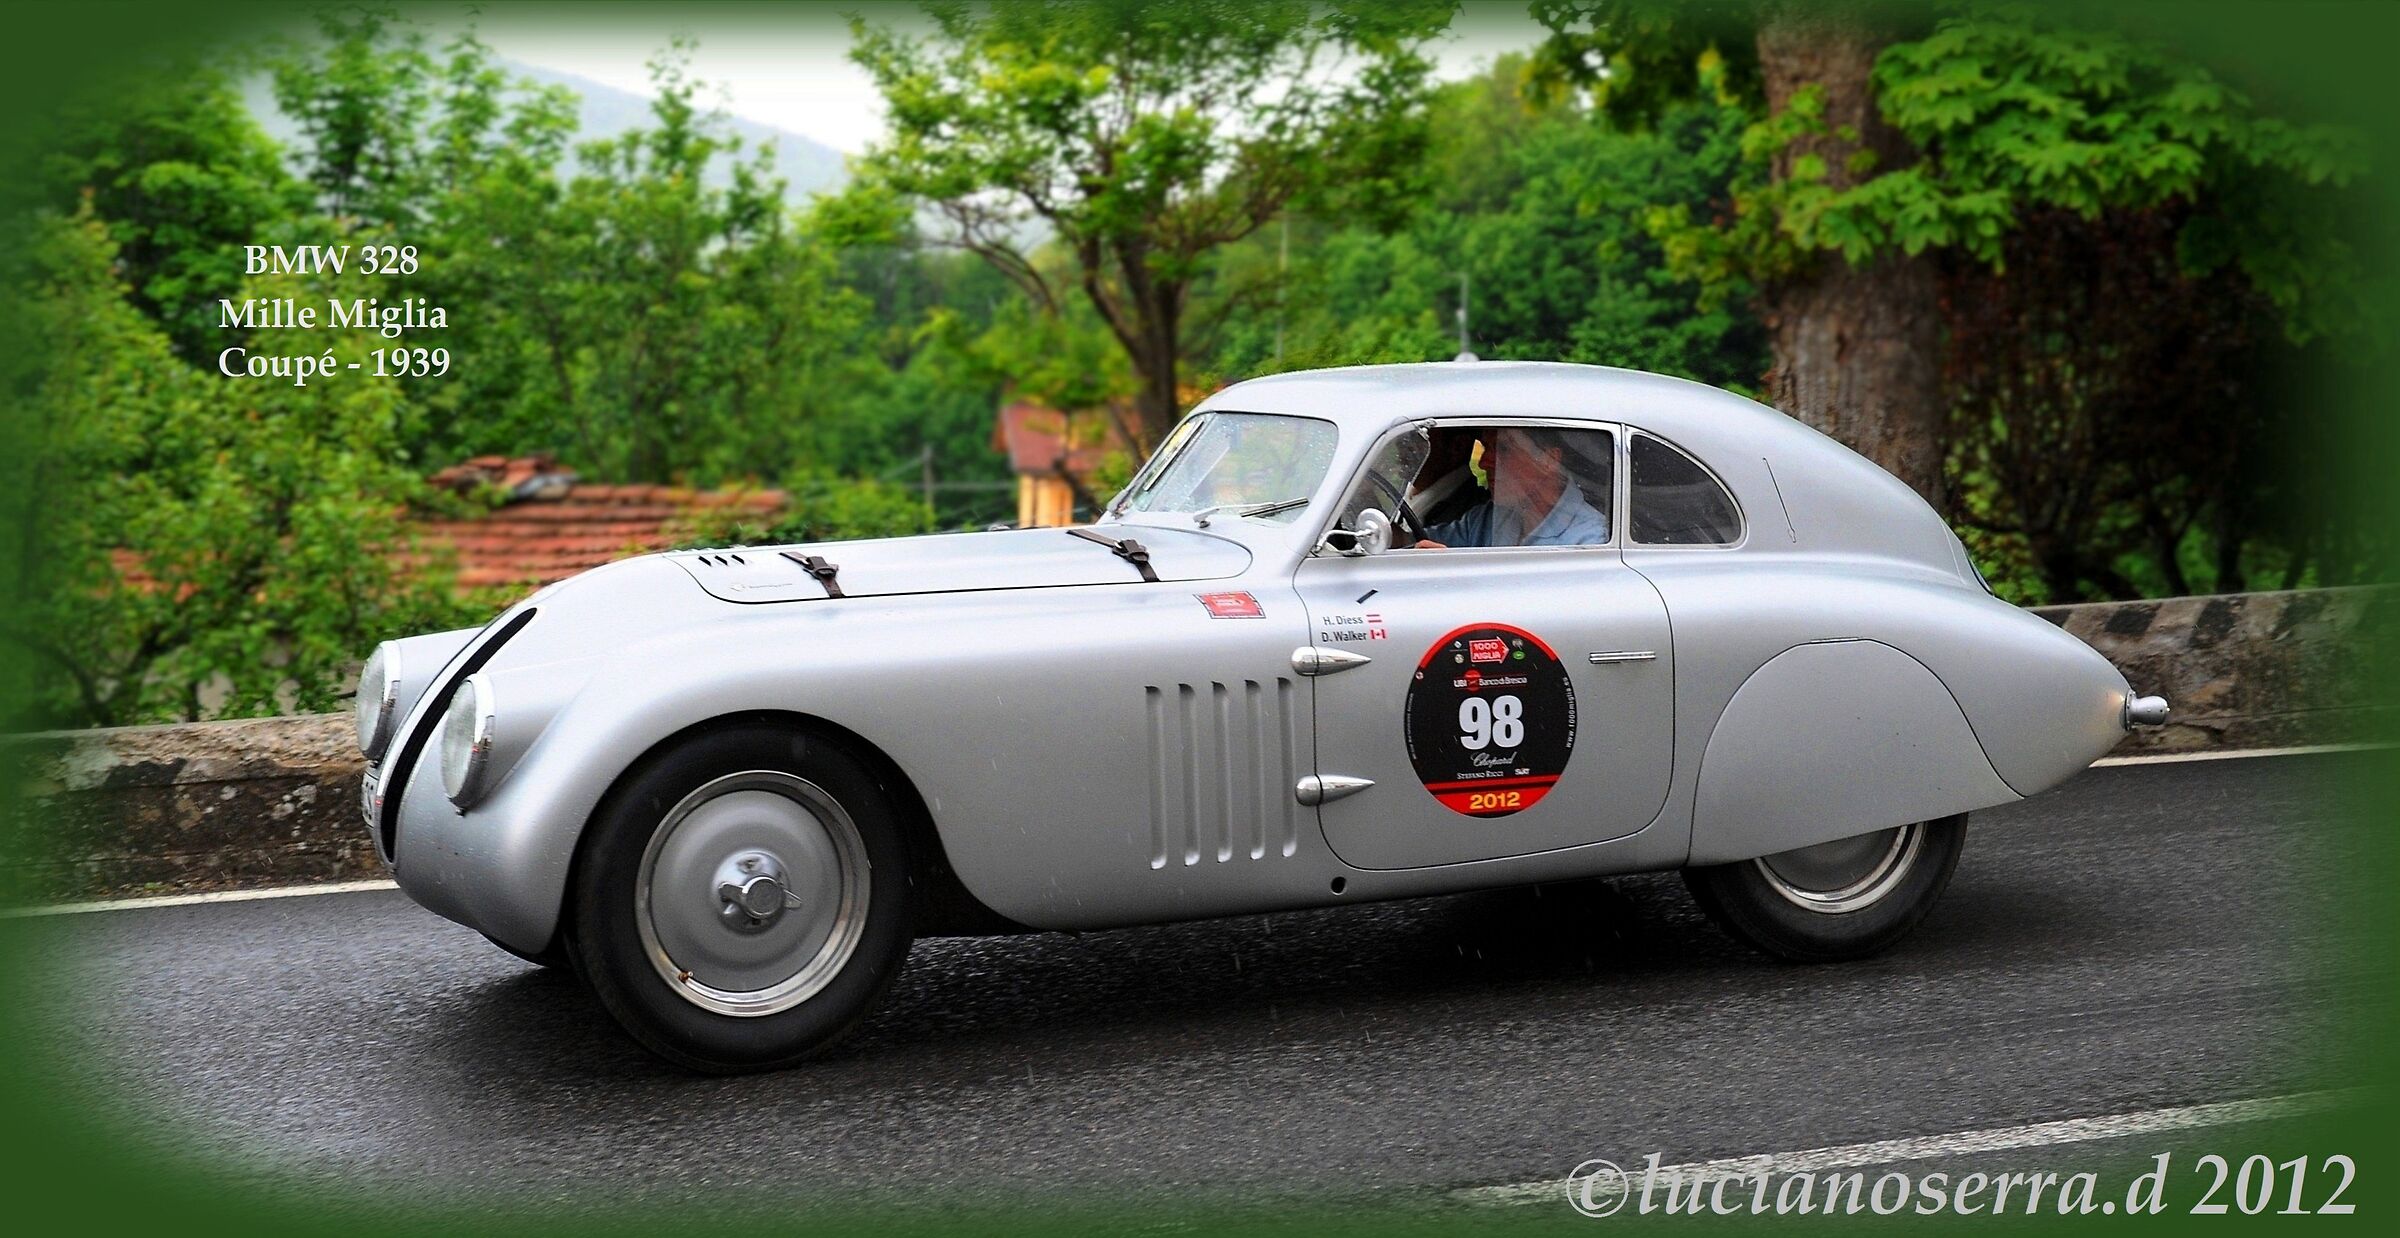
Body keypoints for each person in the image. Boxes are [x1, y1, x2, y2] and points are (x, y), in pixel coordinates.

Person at [1414, 426, 1609, 548]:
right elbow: (1413, 540)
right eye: (1486, 449)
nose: (1484, 463)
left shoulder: (1590, 540)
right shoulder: (1487, 518)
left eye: (1504, 450)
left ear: (1549, 460)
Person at [1407, 427, 1490, 527]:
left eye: (1415, 438)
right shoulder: (1406, 494)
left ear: (1458, 446)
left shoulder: (1472, 513)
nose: (1402, 445)